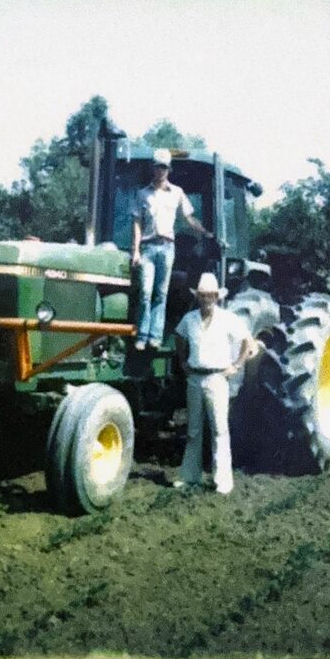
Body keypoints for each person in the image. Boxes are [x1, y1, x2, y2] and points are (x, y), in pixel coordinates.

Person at [173, 271, 251, 495]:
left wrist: (236, 366)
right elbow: (179, 337)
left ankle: (222, 481)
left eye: (210, 296)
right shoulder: (190, 320)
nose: (206, 299)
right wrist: (183, 361)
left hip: (217, 378)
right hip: (195, 378)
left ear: (217, 297)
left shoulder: (227, 319)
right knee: (193, 431)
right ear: (198, 297)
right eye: (203, 295)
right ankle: (189, 477)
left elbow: (247, 340)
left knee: (219, 430)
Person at [130, 148, 211, 350]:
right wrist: (136, 251)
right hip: (148, 247)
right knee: (146, 292)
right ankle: (142, 335)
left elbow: (189, 217)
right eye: (158, 166)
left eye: (164, 167)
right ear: (153, 168)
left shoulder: (177, 193)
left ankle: (155, 337)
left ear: (169, 169)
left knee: (161, 293)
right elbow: (137, 223)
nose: (161, 170)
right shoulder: (142, 194)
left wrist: (204, 232)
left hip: (167, 247)